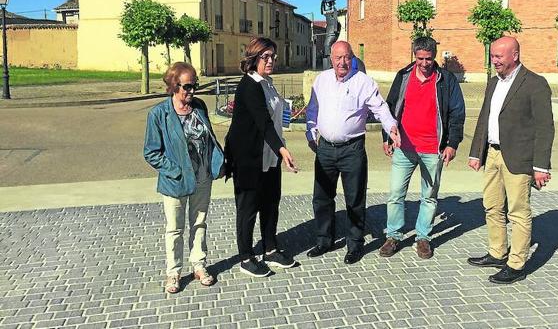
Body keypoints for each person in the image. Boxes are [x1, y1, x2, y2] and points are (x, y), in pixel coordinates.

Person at [467, 36, 554, 284]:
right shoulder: (493, 83)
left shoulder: (535, 84)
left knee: (518, 211)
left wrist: (540, 166)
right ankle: (497, 252)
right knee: (492, 206)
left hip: (519, 157)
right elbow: (485, 118)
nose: (494, 61)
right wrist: (477, 152)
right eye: (492, 56)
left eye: (499, 57)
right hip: (493, 154)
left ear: (514, 55)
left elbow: (545, 127)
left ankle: (517, 264)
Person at [305, 41, 400, 265]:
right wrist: (311, 134)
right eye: (338, 58)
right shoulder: (322, 79)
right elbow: (312, 108)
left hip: (352, 149)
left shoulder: (363, 82)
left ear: (352, 58)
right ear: (331, 58)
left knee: (355, 199)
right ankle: (324, 240)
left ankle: (355, 244)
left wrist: (392, 127)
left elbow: (380, 108)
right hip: (325, 149)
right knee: (322, 197)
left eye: (347, 57)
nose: (342, 62)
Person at [379, 36, 466, 259]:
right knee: (396, 194)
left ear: (434, 56)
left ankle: (423, 237)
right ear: (414, 55)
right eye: (420, 58)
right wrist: (387, 137)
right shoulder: (404, 76)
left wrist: (452, 144)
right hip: (404, 148)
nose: (425, 63)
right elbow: (389, 108)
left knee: (429, 196)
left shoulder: (446, 80)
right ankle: (394, 235)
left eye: (428, 58)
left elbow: (457, 113)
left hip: (432, 149)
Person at [143, 62, 224, 294]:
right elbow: (151, 152)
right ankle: (174, 272)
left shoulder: (198, 107)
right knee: (175, 229)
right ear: (173, 86)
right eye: (187, 86)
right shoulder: (159, 114)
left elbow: (208, 138)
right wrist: (175, 169)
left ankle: (199, 265)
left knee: (199, 223)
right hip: (175, 180)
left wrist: (216, 162)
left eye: (194, 85)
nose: (192, 91)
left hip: (202, 177)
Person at [224, 37, 299, 278]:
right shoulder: (249, 85)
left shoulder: (268, 83)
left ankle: (270, 248)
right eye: (265, 57)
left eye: (273, 57)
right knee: (247, 208)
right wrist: (283, 150)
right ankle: (246, 256)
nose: (270, 61)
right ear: (254, 58)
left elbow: (276, 120)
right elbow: (263, 123)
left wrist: (279, 147)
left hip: (270, 155)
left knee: (270, 204)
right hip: (249, 158)